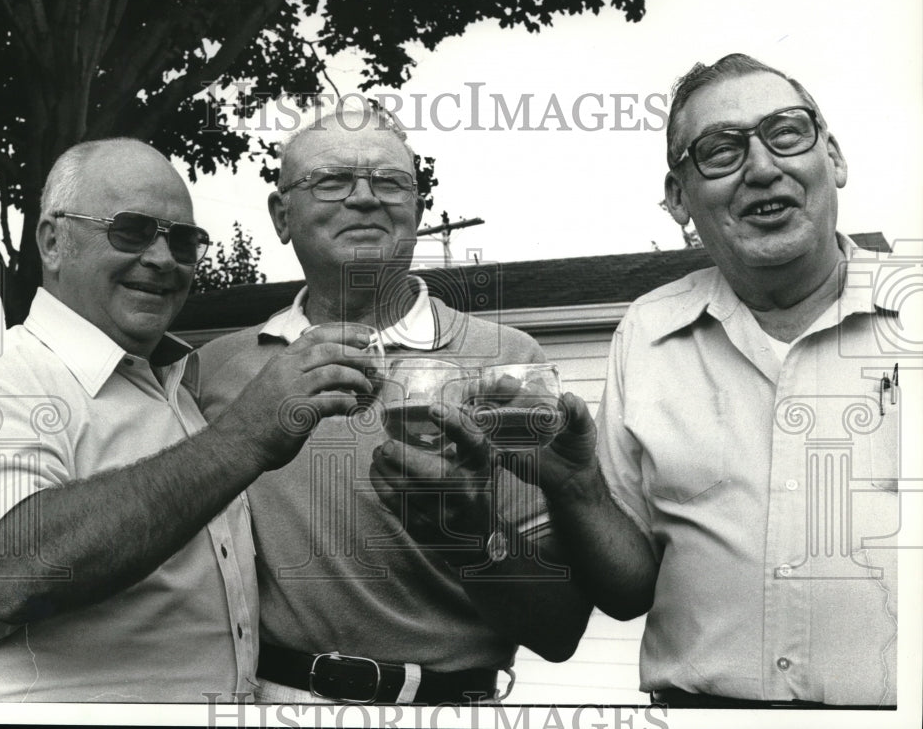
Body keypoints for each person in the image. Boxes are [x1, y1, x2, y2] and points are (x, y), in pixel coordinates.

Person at [494, 53, 900, 707]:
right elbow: (628, 591)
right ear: (679, 198)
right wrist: (574, 485)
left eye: (787, 133)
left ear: (835, 157)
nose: (763, 167)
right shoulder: (646, 334)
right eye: (719, 149)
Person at [0, 138, 378, 701]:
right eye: (130, 230)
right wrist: (246, 436)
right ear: (53, 241)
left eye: (182, 240)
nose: (161, 259)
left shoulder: (183, 387)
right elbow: (14, 571)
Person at [196, 104, 591, 705]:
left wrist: (473, 534)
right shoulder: (217, 372)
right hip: (277, 703)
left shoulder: (508, 361)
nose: (364, 198)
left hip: (451, 709)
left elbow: (559, 628)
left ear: (418, 208)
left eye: (390, 181)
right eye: (331, 181)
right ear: (282, 216)